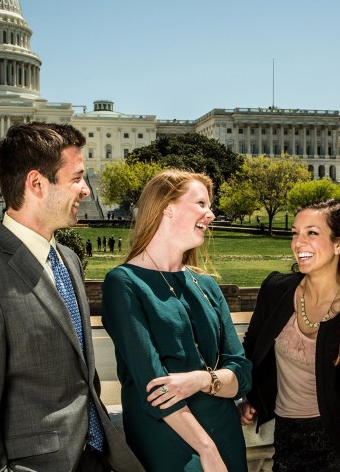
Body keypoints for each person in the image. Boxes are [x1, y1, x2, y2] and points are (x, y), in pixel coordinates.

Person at [0, 122, 143, 472]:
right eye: (76, 178)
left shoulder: (69, 259)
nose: (86, 191)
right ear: (36, 183)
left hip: (99, 458)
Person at [101, 169, 252, 472]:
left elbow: (241, 373)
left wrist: (199, 379)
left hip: (226, 437)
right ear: (166, 207)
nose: (210, 214)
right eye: (201, 203)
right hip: (169, 444)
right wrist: (207, 450)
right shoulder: (124, 283)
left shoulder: (206, 284)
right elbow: (154, 388)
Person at [239, 199, 340, 471]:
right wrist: (251, 395)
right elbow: (253, 349)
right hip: (285, 439)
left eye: (312, 233)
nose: (299, 243)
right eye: (295, 233)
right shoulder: (276, 290)